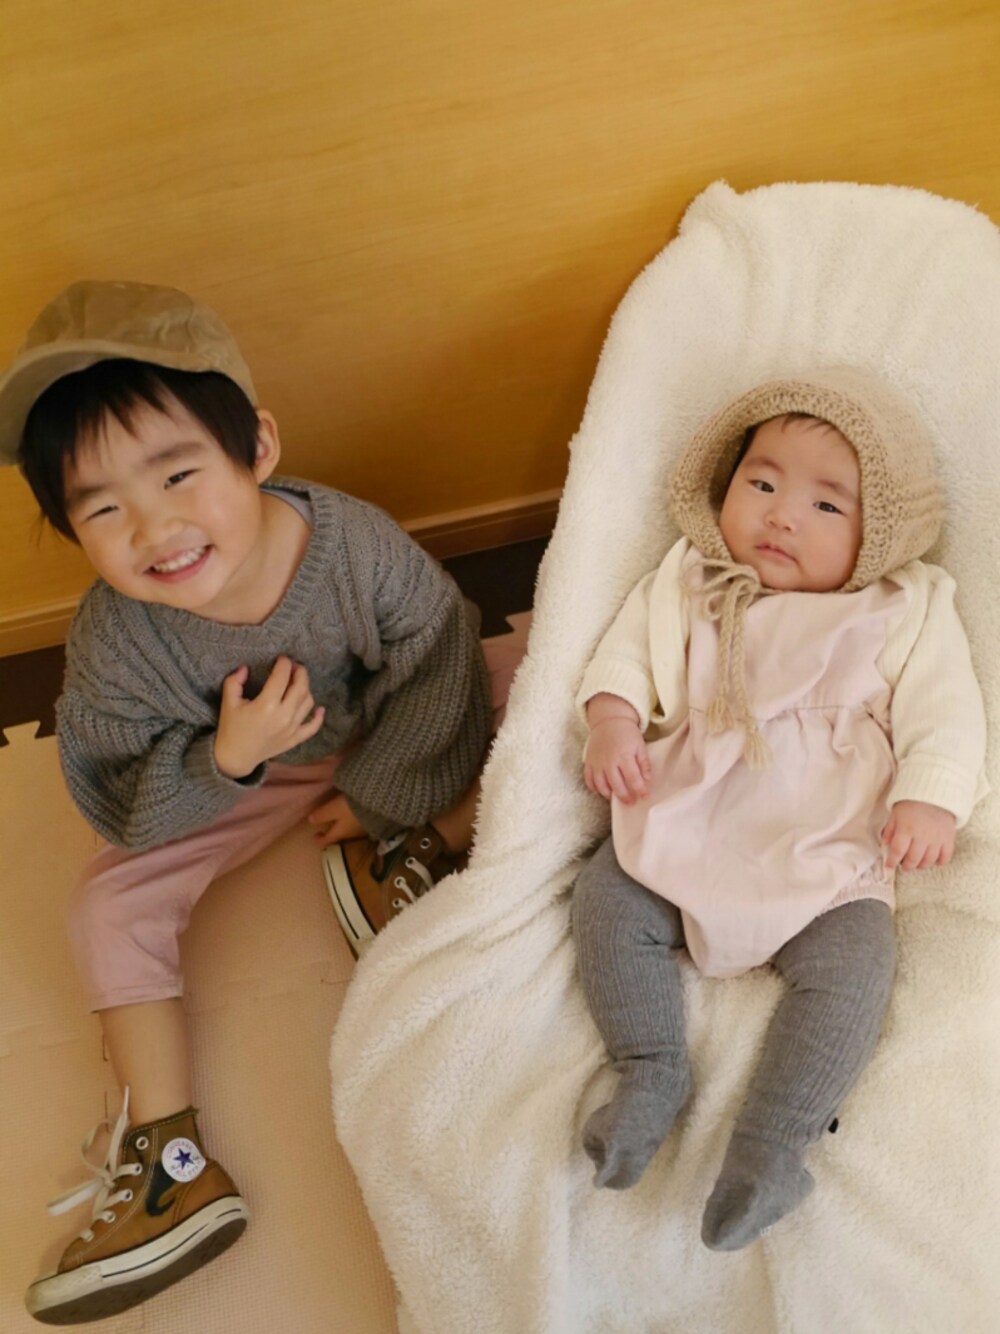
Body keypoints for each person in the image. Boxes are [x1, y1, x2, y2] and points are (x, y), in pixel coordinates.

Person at [1, 281, 494, 1323]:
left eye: (179, 474)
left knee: (541, 676)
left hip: (382, 728)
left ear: (257, 449)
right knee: (105, 901)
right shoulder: (116, 640)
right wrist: (224, 761)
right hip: (238, 773)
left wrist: (381, 790)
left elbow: (435, 640)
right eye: (102, 509)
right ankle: (168, 1158)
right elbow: (113, 794)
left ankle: (409, 841)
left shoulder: (349, 546)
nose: (155, 527)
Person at [571, 367, 988, 1251]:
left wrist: (930, 797)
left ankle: (774, 1142)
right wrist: (612, 720)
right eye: (761, 484)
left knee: (858, 964)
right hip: (689, 820)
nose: (781, 516)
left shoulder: (904, 606)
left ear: (882, 533)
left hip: (825, 848)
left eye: (826, 505)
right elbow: (626, 656)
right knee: (607, 898)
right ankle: (648, 1069)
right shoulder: (693, 578)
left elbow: (946, 711)